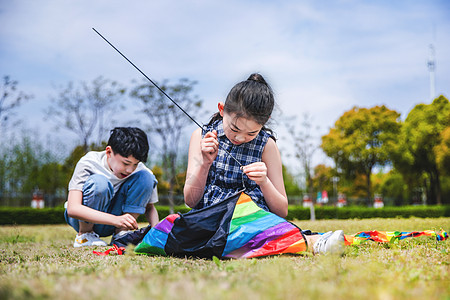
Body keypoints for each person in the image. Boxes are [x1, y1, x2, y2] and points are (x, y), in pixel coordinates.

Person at [183, 73, 343, 254]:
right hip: (209, 221)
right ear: (222, 109)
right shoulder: (201, 137)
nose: (241, 137)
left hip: (251, 223)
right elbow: (190, 201)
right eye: (234, 129)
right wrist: (204, 164)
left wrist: (264, 182)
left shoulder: (266, 145)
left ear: (264, 122)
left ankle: (315, 243)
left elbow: (281, 211)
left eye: (251, 133)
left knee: (262, 234)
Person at [65, 127, 159, 248]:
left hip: (115, 223)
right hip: (82, 220)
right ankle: (85, 235)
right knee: (100, 183)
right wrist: (115, 219)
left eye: (135, 164)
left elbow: (150, 207)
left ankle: (122, 234)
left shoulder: (141, 171)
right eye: (125, 163)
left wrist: (156, 233)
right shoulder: (89, 163)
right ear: (109, 152)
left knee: (147, 178)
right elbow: (73, 209)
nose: (130, 170)